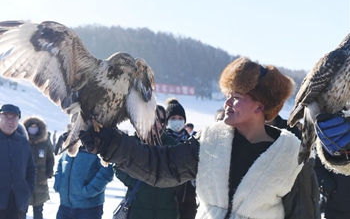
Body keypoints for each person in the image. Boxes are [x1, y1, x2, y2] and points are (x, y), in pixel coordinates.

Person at [78, 57, 320, 219]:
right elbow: (161, 167)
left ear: (260, 105)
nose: (227, 102)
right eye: (228, 94)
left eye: (236, 96)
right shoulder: (211, 141)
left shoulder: (291, 156)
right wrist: (111, 143)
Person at [114, 105, 180, 219]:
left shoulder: (172, 144)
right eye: (154, 120)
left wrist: (171, 187)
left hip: (167, 210)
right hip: (138, 209)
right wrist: (133, 182)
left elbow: (182, 169)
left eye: (162, 120)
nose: (158, 125)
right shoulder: (133, 142)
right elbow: (118, 165)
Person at [54, 145, 114, 219]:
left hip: (88, 208)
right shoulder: (71, 141)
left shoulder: (99, 141)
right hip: (65, 206)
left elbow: (107, 171)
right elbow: (61, 164)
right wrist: (59, 184)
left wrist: (88, 191)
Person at [0, 104, 36, 219]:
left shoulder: (23, 142)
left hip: (17, 201)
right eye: (6, 116)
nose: (10, 121)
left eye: (14, 118)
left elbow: (31, 168)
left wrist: (28, 188)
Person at [165, 98, 197, 219]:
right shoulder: (161, 141)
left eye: (180, 118)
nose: (177, 121)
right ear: (167, 121)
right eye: (173, 118)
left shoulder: (192, 142)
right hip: (166, 196)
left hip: (187, 197)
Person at [22, 116, 55, 219]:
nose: (33, 129)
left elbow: (50, 158)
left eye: (35, 127)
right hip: (24, 180)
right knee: (22, 209)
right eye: (31, 127)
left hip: (41, 180)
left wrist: (49, 171)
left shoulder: (45, 143)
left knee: (38, 210)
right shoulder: (22, 141)